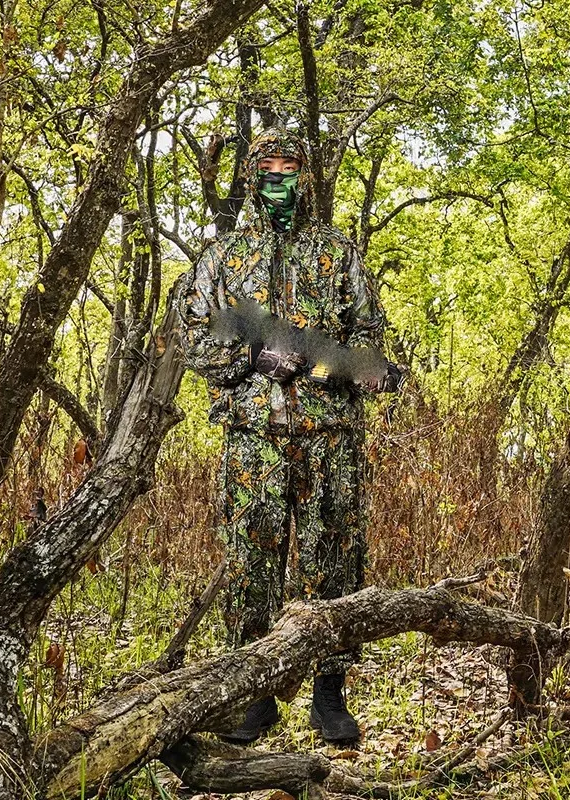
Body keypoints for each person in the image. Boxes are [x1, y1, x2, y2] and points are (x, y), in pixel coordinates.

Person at [179, 128, 402, 746]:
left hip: (330, 436)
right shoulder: (223, 257)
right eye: (269, 166)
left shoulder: (337, 253)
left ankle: (329, 695)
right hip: (254, 436)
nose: (280, 177)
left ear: (307, 176)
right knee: (250, 562)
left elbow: (371, 339)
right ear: (252, 174)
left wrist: (332, 363)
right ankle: (254, 697)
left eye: (291, 166)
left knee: (335, 560)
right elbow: (192, 333)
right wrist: (251, 355)